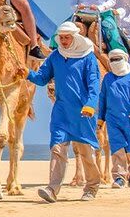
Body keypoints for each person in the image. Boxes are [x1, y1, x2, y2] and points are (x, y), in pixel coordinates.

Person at [27, 21, 101, 202]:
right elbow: (42, 78)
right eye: (61, 38)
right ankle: (52, 189)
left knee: (85, 151)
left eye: (67, 38)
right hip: (61, 111)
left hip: (83, 112)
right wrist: (27, 73)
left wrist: (91, 104)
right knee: (57, 148)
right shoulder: (55, 56)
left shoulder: (88, 58)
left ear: (74, 37)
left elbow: (93, 85)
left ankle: (91, 187)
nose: (64, 41)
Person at [97, 49, 130, 188]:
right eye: (112, 60)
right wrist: (101, 118)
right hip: (113, 119)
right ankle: (119, 177)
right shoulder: (108, 78)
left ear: (124, 59)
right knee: (117, 147)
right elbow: (103, 98)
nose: (115, 62)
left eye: (118, 59)